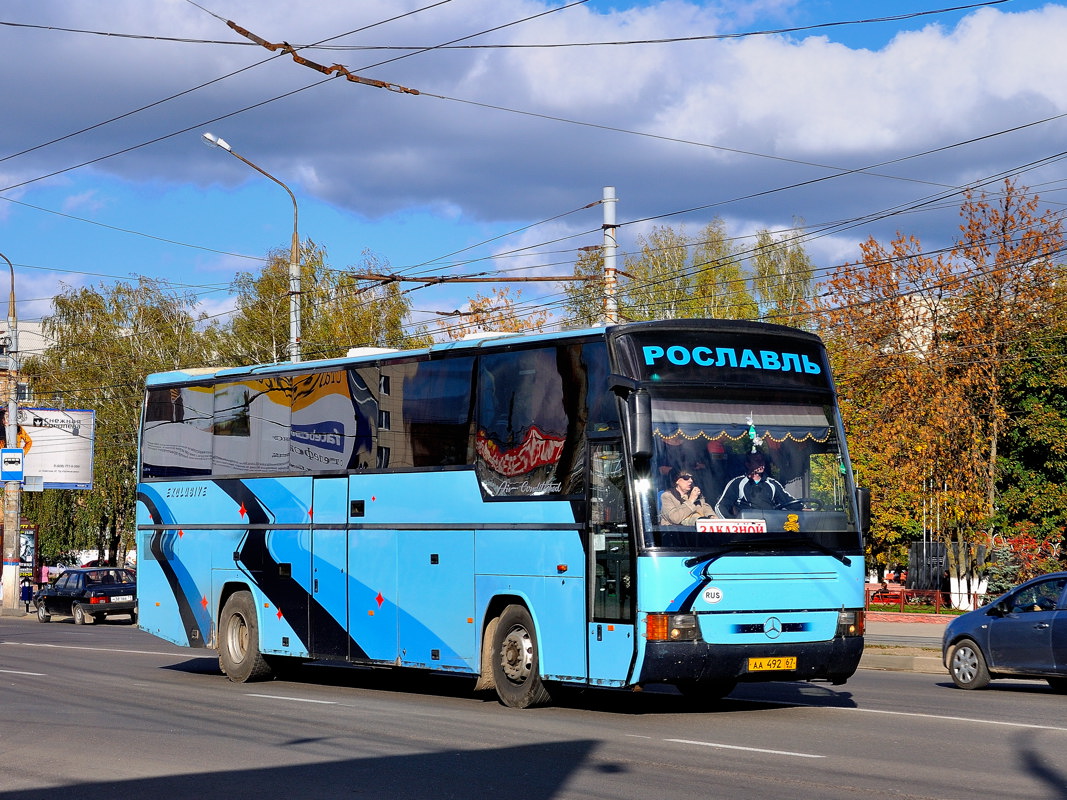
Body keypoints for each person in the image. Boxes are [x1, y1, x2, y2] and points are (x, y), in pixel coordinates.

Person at [714, 451, 797, 518]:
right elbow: (721, 506)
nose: (761, 463)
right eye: (757, 461)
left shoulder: (773, 483)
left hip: (770, 529)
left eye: (762, 460)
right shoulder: (737, 483)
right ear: (748, 464)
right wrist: (733, 524)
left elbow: (790, 502)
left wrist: (804, 509)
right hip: (746, 532)